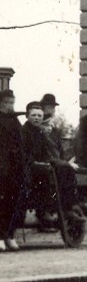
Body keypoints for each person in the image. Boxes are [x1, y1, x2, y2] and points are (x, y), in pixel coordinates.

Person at [20, 101, 83, 224]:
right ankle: (45, 211)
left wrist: (60, 162)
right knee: (45, 175)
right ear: (27, 117)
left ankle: (70, 205)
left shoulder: (40, 133)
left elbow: (47, 152)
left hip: (43, 162)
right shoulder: (24, 132)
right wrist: (37, 163)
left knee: (65, 167)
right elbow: (23, 154)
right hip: (29, 165)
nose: (37, 118)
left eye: (39, 116)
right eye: (33, 115)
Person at [1, 90, 26, 251]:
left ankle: (10, 235)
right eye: (6, 102)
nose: (9, 106)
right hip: (1, 166)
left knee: (13, 203)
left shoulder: (15, 121)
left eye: (12, 102)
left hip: (14, 167)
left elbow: (21, 142)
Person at [40, 93, 72, 160]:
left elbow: (60, 150)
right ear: (43, 108)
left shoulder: (54, 129)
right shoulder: (38, 126)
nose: (53, 110)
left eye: (53, 107)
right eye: (50, 107)